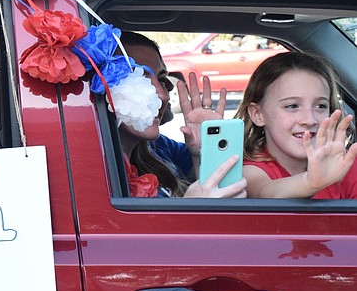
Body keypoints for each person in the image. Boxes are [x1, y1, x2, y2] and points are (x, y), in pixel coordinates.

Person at [118, 32, 247, 198]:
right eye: (139, 78)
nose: (163, 96)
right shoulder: (93, 173)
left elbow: (220, 182)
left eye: (162, 80)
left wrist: (206, 150)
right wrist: (192, 208)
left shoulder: (158, 147)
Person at [236, 50, 357, 198]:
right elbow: (265, 192)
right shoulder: (250, 171)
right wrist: (311, 182)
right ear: (258, 114)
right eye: (292, 106)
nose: (310, 119)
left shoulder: (344, 164)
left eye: (320, 106)